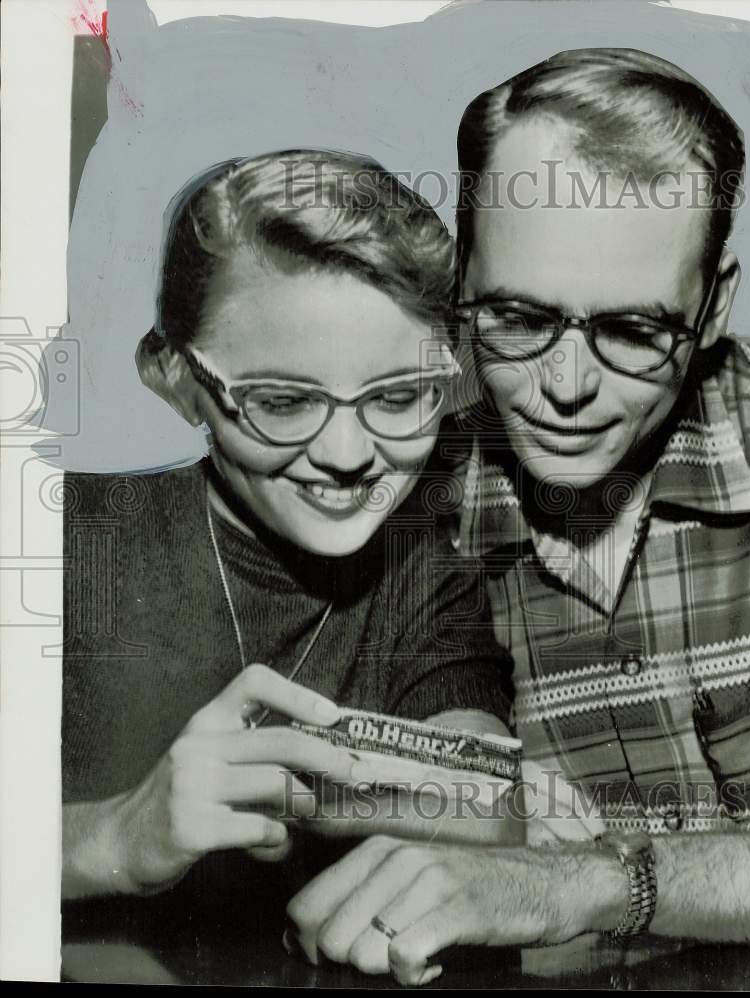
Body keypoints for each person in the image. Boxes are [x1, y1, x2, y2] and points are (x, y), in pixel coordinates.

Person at [286, 49, 750, 984]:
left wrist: (590, 883)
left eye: (633, 331)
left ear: (713, 307)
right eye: (515, 316)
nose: (567, 387)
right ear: (461, 275)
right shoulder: (398, 497)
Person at [61, 149, 518, 912]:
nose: (347, 457)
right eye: (280, 402)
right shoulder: (62, 545)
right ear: (175, 378)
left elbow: (483, 800)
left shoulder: (424, 570)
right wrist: (110, 838)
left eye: (401, 396)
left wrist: (481, 809)